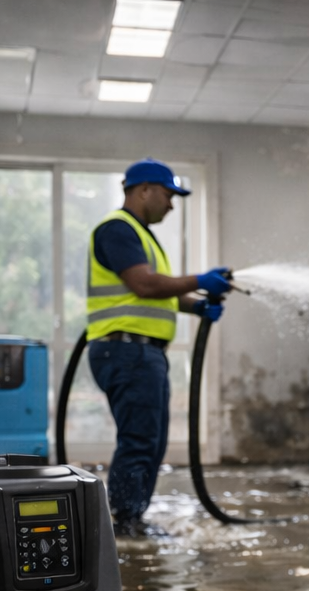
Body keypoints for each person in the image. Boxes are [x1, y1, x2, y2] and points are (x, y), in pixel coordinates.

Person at [86, 157, 231, 537]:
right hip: (126, 351)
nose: (171, 204)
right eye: (168, 195)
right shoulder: (117, 230)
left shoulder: (141, 236)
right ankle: (125, 522)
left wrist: (197, 304)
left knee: (151, 440)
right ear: (144, 190)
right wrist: (200, 279)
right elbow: (145, 286)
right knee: (139, 440)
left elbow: (157, 296)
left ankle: (133, 517)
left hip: (141, 353)